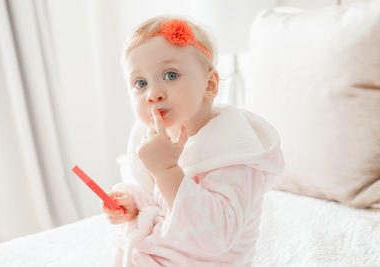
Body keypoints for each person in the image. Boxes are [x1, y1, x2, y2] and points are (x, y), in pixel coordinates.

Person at [101, 15, 285, 267]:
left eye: (170, 75)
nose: (153, 94)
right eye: (140, 83)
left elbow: (215, 236)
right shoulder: (148, 135)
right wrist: (132, 203)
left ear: (209, 85)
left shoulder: (231, 148)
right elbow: (152, 197)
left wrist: (166, 171)